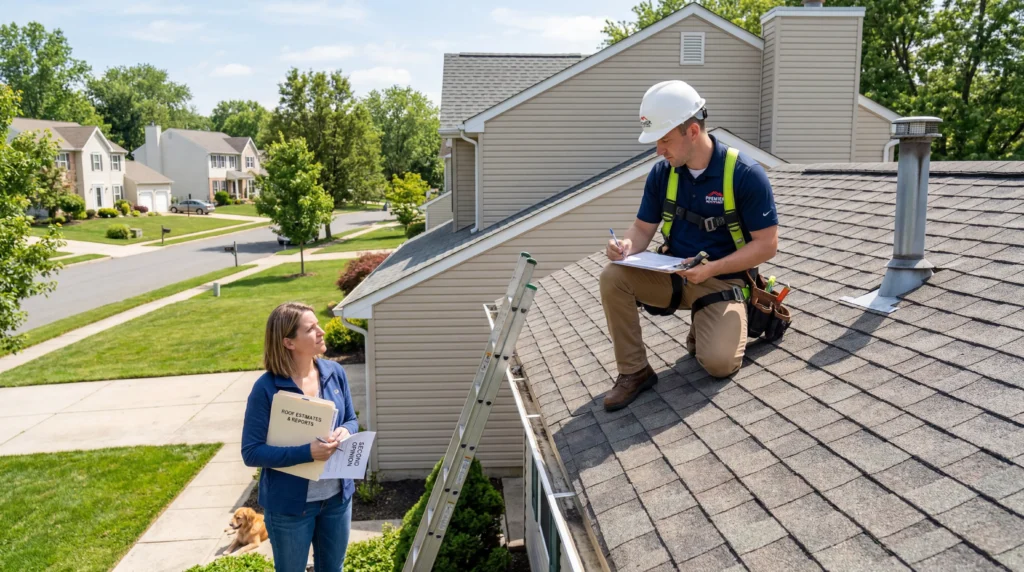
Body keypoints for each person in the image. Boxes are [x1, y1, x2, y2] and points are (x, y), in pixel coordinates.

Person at [600, 80, 779, 411]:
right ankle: (634, 372)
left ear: (692, 131)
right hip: (674, 275)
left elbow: (767, 245)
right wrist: (625, 244)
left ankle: (707, 326)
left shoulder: (744, 174)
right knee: (613, 276)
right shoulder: (662, 174)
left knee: (719, 364)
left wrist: (713, 268)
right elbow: (642, 228)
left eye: (665, 140)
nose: (659, 150)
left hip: (724, 280)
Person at [241, 302, 359, 572]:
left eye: (318, 324)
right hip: (290, 508)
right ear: (288, 342)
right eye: (311, 328)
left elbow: (352, 419)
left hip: (337, 499)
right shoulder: (266, 389)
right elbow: (252, 452)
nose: (321, 331)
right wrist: (308, 452)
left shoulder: (334, 373)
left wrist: (346, 431)